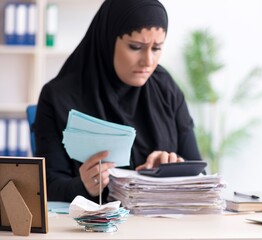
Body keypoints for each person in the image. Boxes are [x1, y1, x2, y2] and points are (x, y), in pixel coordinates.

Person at [35, 0, 202, 203]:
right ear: (108, 40)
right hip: (92, 230)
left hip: (159, 226)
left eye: (156, 48)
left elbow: (198, 170)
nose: (148, 61)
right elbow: (47, 186)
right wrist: (83, 185)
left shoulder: (165, 88)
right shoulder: (58, 96)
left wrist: (173, 169)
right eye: (136, 47)